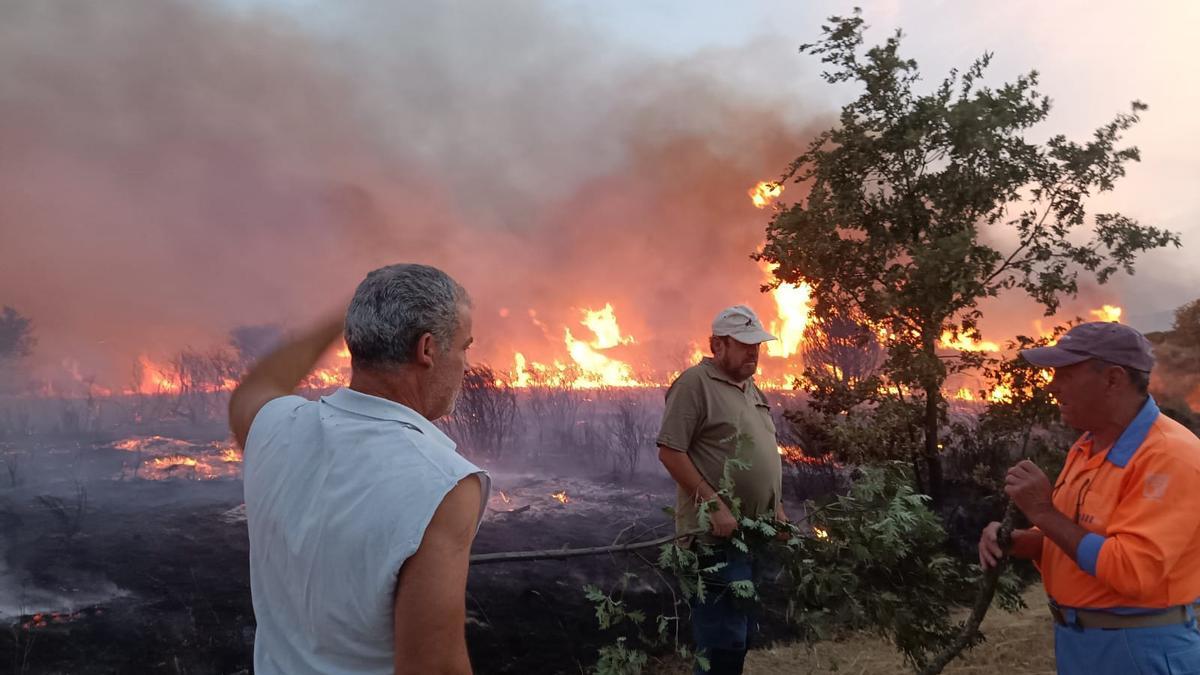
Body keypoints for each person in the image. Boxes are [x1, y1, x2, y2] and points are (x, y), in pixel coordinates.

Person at [228, 263, 489, 675]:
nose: (466, 364)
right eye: (463, 346)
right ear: (427, 350)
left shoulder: (274, 428)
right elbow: (436, 668)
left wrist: (343, 317)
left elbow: (257, 386)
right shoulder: (442, 485)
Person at [977, 321, 1200, 675]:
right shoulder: (1087, 446)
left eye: (1065, 373)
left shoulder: (1169, 457)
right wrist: (1026, 543)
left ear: (1113, 379)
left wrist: (1042, 511)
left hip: (1137, 649)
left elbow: (1130, 571)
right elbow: (1084, 540)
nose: (1053, 386)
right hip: (1082, 642)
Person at [656, 304, 787, 675]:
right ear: (717, 344)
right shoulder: (694, 384)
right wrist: (714, 505)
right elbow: (670, 451)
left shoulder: (750, 389)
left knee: (738, 638)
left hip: (751, 535)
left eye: (757, 345)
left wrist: (776, 508)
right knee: (721, 642)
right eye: (744, 344)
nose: (753, 352)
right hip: (714, 540)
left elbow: (759, 451)